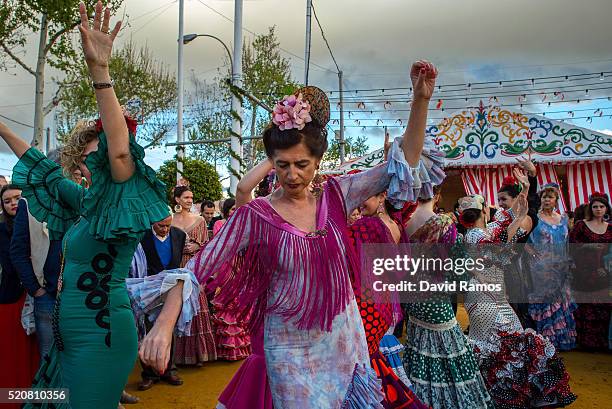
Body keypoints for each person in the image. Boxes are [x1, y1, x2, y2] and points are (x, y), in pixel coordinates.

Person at [141, 61, 441, 408]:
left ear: (318, 162)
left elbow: (400, 161)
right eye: (282, 165)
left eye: (302, 164)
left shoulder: (337, 196)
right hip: (287, 346)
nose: (292, 175)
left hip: (343, 339)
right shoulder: (257, 214)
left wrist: (419, 101)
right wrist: (163, 326)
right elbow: (196, 269)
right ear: (271, 162)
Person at [0, 3, 182, 408]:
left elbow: (118, 155)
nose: (92, 164)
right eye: (87, 158)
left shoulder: (125, 198)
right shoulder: (83, 202)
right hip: (66, 337)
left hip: (101, 339)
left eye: (100, 156)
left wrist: (99, 72)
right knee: (41, 401)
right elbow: (42, 169)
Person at [460, 193, 576, 408]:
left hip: (495, 296)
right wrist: (518, 211)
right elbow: (506, 232)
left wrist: (524, 192)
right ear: (484, 210)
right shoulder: (476, 235)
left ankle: (509, 396)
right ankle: (492, 397)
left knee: (510, 342)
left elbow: (515, 226)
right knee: (495, 345)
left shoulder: (487, 231)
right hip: (483, 297)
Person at [402, 187, 493, 409]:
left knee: (419, 347)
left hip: (412, 297)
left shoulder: (404, 223)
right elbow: (457, 270)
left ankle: (422, 399)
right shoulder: (443, 224)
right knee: (450, 349)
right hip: (436, 298)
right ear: (438, 195)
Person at [349, 190, 431, 409]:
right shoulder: (395, 225)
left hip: (367, 303)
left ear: (382, 196)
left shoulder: (367, 226)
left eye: (364, 196)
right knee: (374, 357)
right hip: (384, 298)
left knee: (365, 363)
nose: (358, 202)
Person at [0, 185, 40, 408]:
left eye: (17, 198)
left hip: (39, 296)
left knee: (34, 351)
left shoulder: (40, 222)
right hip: (13, 299)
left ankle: (34, 399)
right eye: (7, 201)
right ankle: (10, 401)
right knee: (13, 354)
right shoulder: (2, 230)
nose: (13, 203)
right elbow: (10, 264)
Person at [137, 215, 186, 389]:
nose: (165, 229)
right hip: (148, 290)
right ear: (152, 223)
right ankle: (149, 374)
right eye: (160, 226)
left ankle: (168, 370)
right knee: (148, 330)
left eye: (168, 225)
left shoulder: (179, 235)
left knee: (168, 330)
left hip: (171, 290)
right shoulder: (141, 236)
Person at [527, 184, 577, 351]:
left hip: (561, 267)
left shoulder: (563, 219)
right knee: (547, 302)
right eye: (544, 197)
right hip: (542, 269)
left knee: (561, 302)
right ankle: (546, 342)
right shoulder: (535, 219)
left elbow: (566, 242)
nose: (546, 200)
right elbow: (526, 243)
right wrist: (535, 256)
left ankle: (561, 339)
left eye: (550, 197)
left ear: (556, 200)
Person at [171, 186, 217, 366]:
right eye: (186, 197)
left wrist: (197, 247)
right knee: (178, 308)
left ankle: (199, 355)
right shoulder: (171, 221)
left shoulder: (199, 221)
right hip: (176, 268)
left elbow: (208, 246)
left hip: (195, 269)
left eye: (191, 197)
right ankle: (177, 357)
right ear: (177, 200)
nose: (190, 200)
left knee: (197, 309)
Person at [569, 192, 612, 350]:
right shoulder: (581, 224)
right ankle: (584, 343)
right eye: (595, 206)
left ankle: (602, 343)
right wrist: (588, 246)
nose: (598, 209)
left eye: (601, 206)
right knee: (585, 305)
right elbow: (571, 245)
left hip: (604, 272)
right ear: (590, 208)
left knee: (603, 306)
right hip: (584, 272)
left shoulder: (610, 227)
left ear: (606, 208)